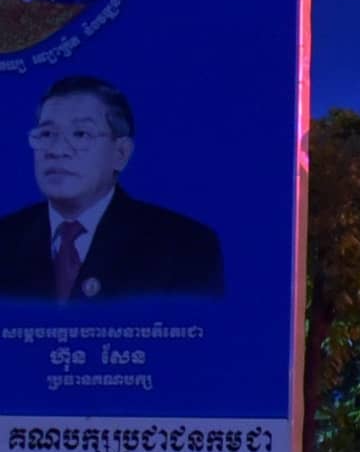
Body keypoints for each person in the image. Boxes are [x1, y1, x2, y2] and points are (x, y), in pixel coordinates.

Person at [0, 74, 223, 300]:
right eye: (47, 134)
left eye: (80, 134)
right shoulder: (5, 240)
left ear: (121, 153)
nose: (57, 150)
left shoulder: (184, 247)